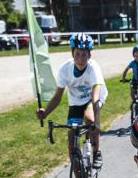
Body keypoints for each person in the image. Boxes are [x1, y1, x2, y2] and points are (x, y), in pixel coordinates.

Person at [37, 32, 108, 169]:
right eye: (77, 54)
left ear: (90, 55)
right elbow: (58, 97)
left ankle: (96, 151)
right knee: (71, 142)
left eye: (84, 55)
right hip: (75, 102)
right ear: (72, 53)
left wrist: (97, 124)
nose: (81, 59)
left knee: (89, 118)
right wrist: (45, 113)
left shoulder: (93, 68)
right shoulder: (65, 69)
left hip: (93, 99)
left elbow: (95, 97)